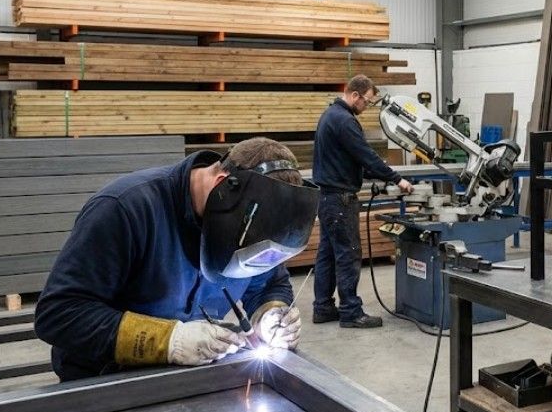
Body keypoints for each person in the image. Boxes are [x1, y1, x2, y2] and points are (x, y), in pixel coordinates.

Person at [35, 137, 319, 381]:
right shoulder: (125, 208)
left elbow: (270, 282)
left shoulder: (252, 226)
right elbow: (59, 314)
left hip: (192, 376)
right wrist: (168, 341)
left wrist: (271, 313)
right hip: (103, 381)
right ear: (222, 188)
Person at [312, 74, 413, 328]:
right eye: (366, 101)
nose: (366, 107)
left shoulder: (330, 116)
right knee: (348, 254)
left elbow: (349, 160)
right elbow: (366, 155)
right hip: (340, 200)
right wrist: (397, 178)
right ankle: (350, 312)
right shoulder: (345, 121)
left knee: (327, 254)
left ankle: (323, 308)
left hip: (327, 197)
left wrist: (374, 174)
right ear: (355, 95)